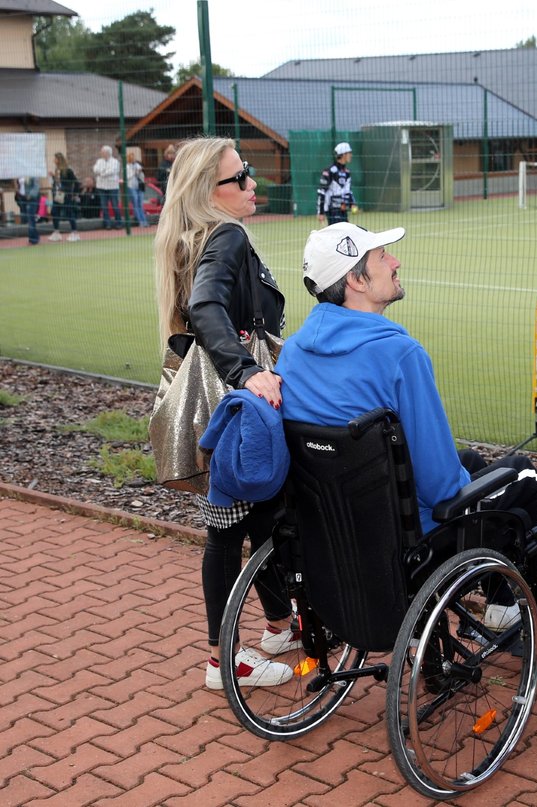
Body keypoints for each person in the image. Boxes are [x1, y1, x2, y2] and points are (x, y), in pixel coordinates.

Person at [275, 222, 537, 643]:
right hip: (408, 542)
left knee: (470, 462)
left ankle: (500, 606)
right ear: (355, 280)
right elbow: (440, 488)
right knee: (523, 477)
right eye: (382, 257)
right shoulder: (399, 354)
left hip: (333, 532)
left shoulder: (292, 352)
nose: (395, 262)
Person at [153, 136, 295, 691]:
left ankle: (279, 626)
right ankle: (224, 661)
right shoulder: (227, 235)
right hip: (235, 405)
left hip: (219, 408)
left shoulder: (193, 239)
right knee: (235, 528)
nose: (251, 184)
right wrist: (245, 372)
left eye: (248, 173)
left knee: (252, 520)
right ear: (207, 192)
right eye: (239, 178)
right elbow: (206, 307)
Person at [316, 142, 357, 225]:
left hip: (343, 210)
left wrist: (353, 203)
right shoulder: (329, 171)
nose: (351, 155)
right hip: (332, 211)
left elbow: (348, 191)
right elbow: (322, 192)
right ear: (343, 154)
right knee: (336, 236)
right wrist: (321, 212)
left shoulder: (347, 172)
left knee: (345, 234)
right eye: (349, 153)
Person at [49, 153, 80, 242]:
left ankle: (74, 233)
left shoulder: (68, 170)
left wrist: (74, 194)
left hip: (66, 195)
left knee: (69, 213)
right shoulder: (57, 170)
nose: (53, 160)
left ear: (59, 159)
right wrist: (53, 177)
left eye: (55, 159)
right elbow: (58, 182)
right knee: (54, 212)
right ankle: (56, 232)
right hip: (58, 194)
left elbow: (76, 182)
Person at [93, 145, 122, 230]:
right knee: (104, 206)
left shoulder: (115, 161)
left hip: (112, 187)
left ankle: (119, 223)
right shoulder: (99, 161)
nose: (101, 154)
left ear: (108, 153)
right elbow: (95, 170)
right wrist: (104, 172)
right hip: (101, 187)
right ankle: (107, 224)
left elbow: (113, 171)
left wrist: (102, 173)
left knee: (115, 206)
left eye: (103, 152)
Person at [126, 151, 149, 227]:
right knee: (135, 204)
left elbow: (141, 175)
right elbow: (127, 177)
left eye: (133, 157)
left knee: (140, 205)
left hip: (139, 187)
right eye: (131, 157)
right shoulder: (127, 167)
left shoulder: (137, 165)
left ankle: (144, 221)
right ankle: (141, 221)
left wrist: (139, 172)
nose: (133, 159)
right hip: (132, 187)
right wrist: (134, 172)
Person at [22, 177, 40, 245]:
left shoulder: (33, 176)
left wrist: (30, 195)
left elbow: (36, 186)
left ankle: (33, 238)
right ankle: (34, 237)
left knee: (31, 219)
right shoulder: (26, 177)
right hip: (28, 199)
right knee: (30, 219)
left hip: (32, 199)